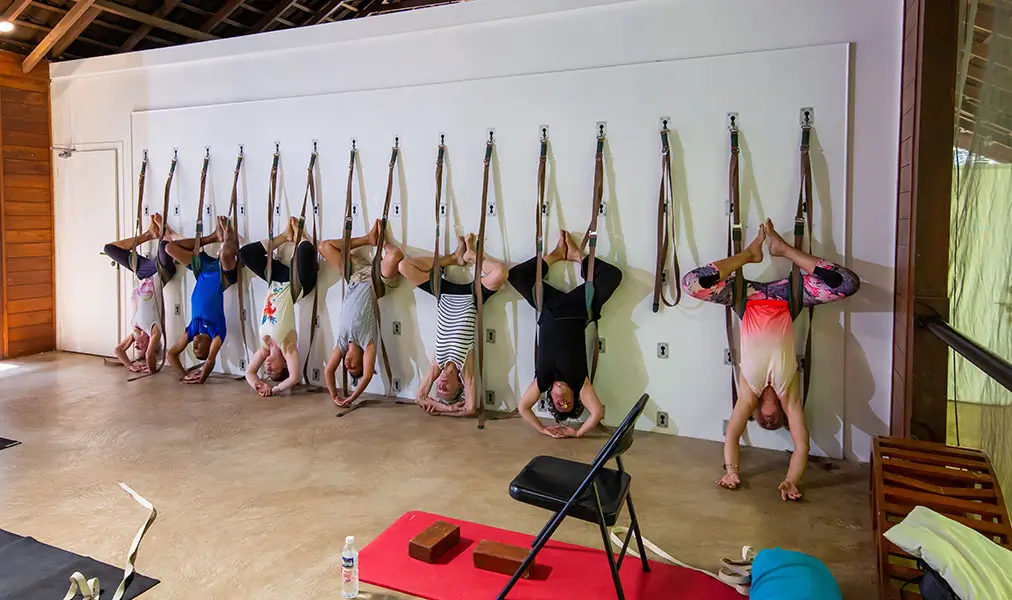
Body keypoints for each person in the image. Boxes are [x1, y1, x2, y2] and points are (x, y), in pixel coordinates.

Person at [682, 219, 859, 501]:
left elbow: (731, 435)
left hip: (746, 299)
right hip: (789, 298)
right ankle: (785, 250)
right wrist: (791, 480)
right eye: (773, 424)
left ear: (756, 415)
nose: (767, 422)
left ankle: (748, 255)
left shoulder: (748, 394)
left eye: (763, 424)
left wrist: (732, 470)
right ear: (781, 417)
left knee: (691, 283)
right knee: (848, 283)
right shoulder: (789, 395)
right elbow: (801, 446)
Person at [509, 230, 622, 438]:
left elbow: (523, 408)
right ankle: (577, 256)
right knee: (613, 276)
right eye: (568, 403)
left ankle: (555, 255)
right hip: (579, 308)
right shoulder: (580, 382)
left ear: (550, 396)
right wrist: (578, 433)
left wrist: (543, 429)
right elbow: (597, 413)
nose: (563, 400)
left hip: (549, 306)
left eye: (559, 404)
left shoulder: (542, 380)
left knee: (516, 276)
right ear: (576, 398)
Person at [398, 233, 508, 417]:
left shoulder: (437, 364)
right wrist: (451, 410)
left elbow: (420, 397)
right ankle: (471, 256)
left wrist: (444, 409)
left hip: (444, 295)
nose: (441, 386)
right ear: (460, 384)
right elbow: (470, 408)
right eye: (448, 390)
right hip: (472, 297)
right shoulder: (465, 366)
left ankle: (453, 259)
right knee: (501, 273)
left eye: (439, 390)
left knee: (404, 266)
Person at [318, 220, 404, 408]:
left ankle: (368, 238)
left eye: (348, 368)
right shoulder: (368, 342)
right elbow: (366, 377)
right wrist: (352, 398)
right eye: (355, 366)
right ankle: (383, 241)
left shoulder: (342, 342)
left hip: (355, 277)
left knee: (324, 246)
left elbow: (328, 371)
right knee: (396, 255)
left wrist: (334, 395)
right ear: (363, 361)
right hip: (377, 282)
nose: (349, 365)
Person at [241, 216, 319, 397]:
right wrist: (275, 390)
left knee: (245, 254)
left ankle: (285, 236)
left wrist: (258, 385)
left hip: (276, 282)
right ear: (284, 363)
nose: (267, 368)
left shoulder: (264, 347)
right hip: (297, 286)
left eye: (267, 373)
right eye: (274, 371)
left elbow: (249, 373)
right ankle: (302, 236)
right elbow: (294, 378)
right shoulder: (288, 346)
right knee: (305, 249)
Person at [164, 216, 239, 384]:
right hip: (223, 274)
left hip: (202, 272)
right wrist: (202, 378)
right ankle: (228, 235)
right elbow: (211, 360)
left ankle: (213, 237)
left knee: (169, 248)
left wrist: (183, 375)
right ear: (210, 346)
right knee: (226, 251)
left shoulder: (192, 329)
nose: (195, 345)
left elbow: (171, 354)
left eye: (193, 348)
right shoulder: (217, 332)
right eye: (199, 349)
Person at [104, 213, 178, 373]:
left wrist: (130, 366)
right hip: (162, 271)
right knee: (164, 248)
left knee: (109, 249)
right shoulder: (155, 330)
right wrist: (151, 369)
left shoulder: (136, 331)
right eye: (140, 349)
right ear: (150, 342)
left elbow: (118, 350)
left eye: (136, 349)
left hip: (142, 271)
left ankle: (149, 234)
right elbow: (151, 355)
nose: (136, 346)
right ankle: (164, 233)